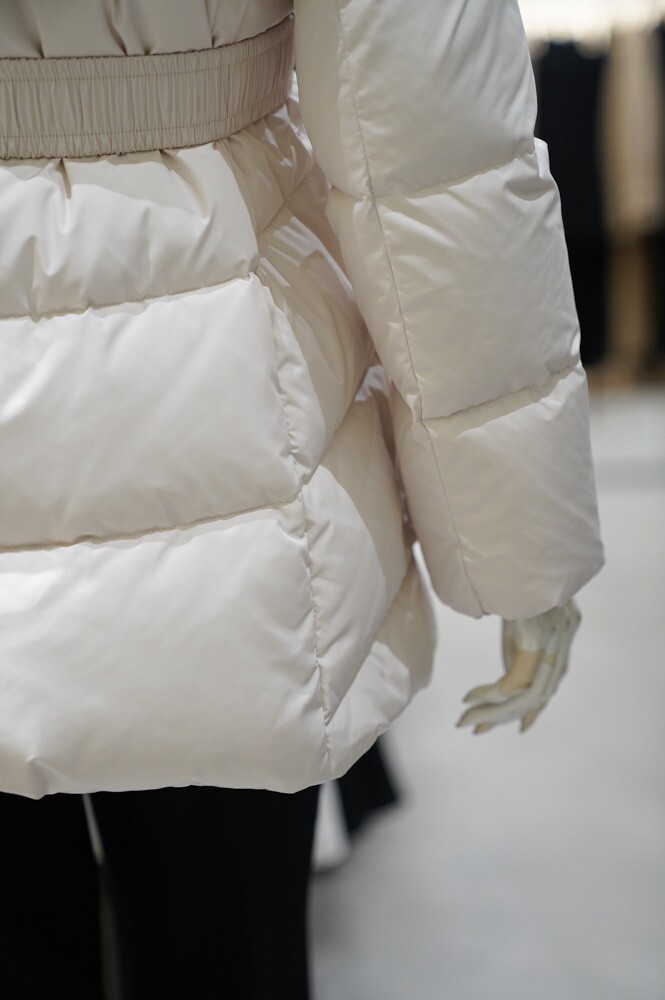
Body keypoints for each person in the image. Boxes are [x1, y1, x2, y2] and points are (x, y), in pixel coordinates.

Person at [0, 1, 604, 997]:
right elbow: (435, 151)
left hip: (223, 383)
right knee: (222, 945)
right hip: (216, 371)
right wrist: (521, 540)